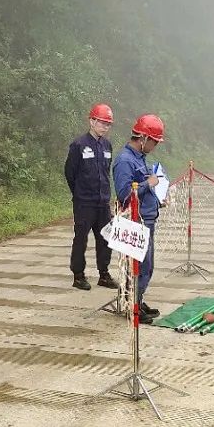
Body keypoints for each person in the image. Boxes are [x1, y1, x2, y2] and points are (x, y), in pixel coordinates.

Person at [112, 114, 166, 324]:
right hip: (135, 222)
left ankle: (137, 300)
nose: (155, 146)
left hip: (147, 219)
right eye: (153, 142)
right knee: (140, 267)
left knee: (145, 266)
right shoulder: (125, 161)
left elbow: (141, 188)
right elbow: (125, 194)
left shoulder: (139, 158)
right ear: (143, 138)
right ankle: (132, 305)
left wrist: (156, 196)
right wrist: (148, 185)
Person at [64, 103, 118, 291]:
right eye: (102, 122)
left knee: (105, 238)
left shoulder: (107, 145)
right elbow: (70, 173)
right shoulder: (79, 145)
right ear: (92, 121)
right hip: (84, 202)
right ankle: (78, 275)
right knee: (81, 239)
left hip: (103, 201)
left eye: (108, 124)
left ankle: (104, 273)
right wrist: (79, 193)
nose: (105, 127)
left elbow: (106, 171)